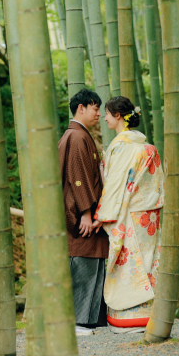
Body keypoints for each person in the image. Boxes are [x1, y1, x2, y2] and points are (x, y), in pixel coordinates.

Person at [92, 96, 165, 333]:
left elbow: (114, 185)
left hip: (129, 214)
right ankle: (149, 316)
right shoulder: (148, 148)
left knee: (129, 264)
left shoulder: (121, 148)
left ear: (118, 116)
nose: (104, 118)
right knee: (147, 261)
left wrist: (101, 215)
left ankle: (127, 319)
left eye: (107, 113)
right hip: (149, 217)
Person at [58, 88, 109, 336]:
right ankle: (77, 322)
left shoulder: (79, 135)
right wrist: (87, 213)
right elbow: (77, 178)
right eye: (95, 108)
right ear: (81, 108)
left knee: (90, 262)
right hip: (80, 215)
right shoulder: (77, 137)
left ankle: (86, 321)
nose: (99, 113)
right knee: (82, 263)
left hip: (85, 211)